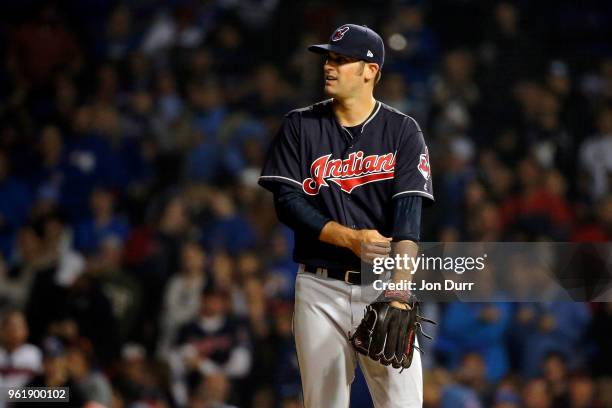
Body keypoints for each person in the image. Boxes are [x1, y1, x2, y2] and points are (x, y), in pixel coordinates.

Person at [259, 24, 434, 407]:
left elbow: (408, 217)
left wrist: (401, 290)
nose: (329, 67)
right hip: (320, 288)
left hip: (382, 286)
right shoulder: (300, 126)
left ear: (370, 70)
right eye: (328, 58)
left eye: (341, 59)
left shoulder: (403, 131)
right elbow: (287, 202)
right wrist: (349, 238)